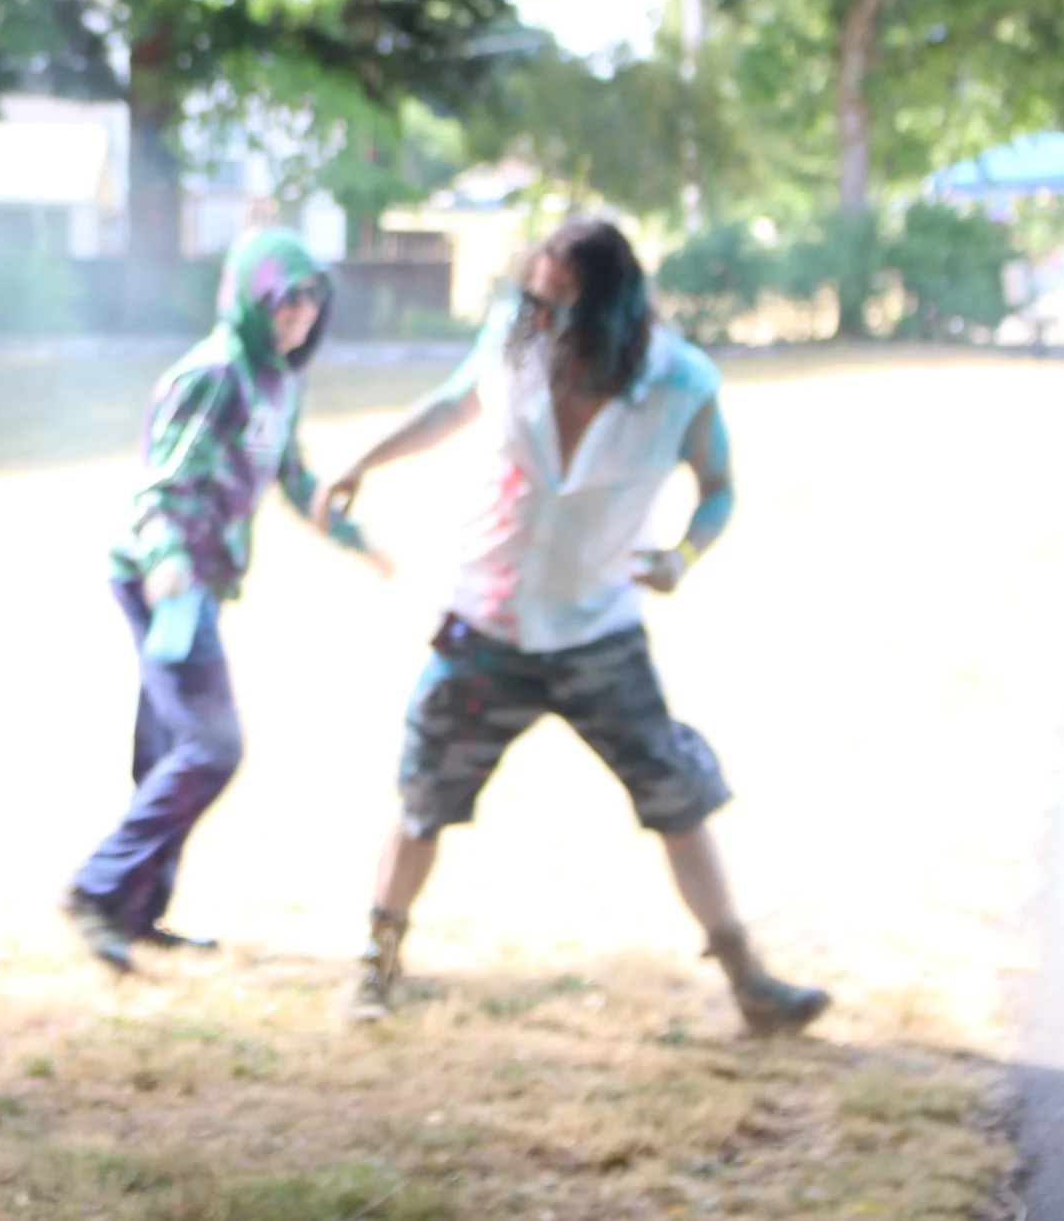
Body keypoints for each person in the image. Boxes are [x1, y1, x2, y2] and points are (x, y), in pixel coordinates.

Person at [316, 218, 828, 1037]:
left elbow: (720, 486)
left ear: (614, 311)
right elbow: (450, 405)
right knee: (422, 798)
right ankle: (376, 968)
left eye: (560, 306)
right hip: (485, 622)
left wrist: (684, 555)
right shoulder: (514, 342)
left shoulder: (680, 382)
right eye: (533, 298)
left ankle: (750, 983)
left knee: (676, 797)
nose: (539, 319)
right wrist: (360, 462)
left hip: (599, 632)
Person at [62, 227, 390, 972]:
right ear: (251, 298)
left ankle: (139, 909)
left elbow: (293, 475)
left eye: (313, 298)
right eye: (287, 298)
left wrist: (353, 535)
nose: (301, 313)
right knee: (211, 746)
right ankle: (96, 889)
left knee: (167, 749)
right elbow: (164, 485)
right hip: (163, 577)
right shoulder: (214, 374)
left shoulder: (278, 378)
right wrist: (171, 561)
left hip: (197, 579)